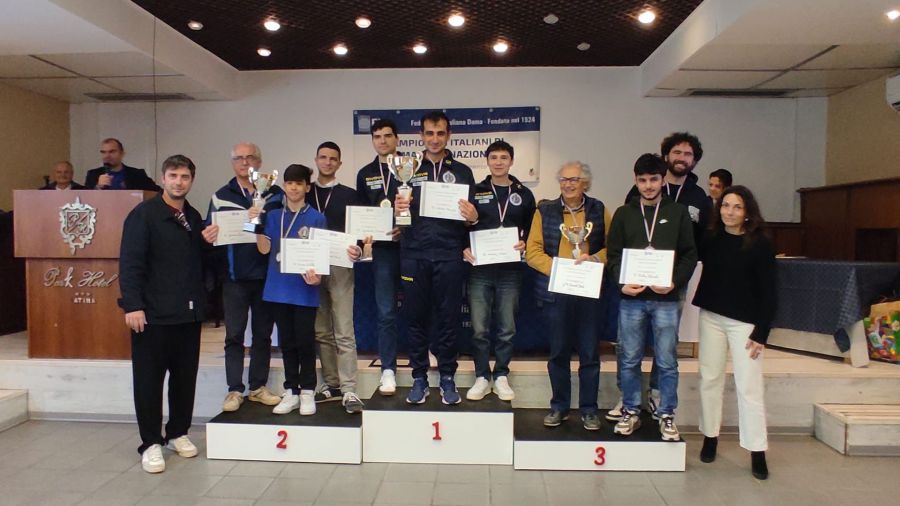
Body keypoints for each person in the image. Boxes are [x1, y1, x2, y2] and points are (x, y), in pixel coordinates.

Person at [119, 154, 218, 473]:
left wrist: (207, 243)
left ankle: (177, 432)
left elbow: (197, 262)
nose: (179, 182)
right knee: (148, 381)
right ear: (163, 178)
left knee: (184, 379)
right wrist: (133, 305)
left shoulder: (193, 216)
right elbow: (130, 263)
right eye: (173, 176)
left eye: (185, 176)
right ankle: (150, 443)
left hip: (188, 314)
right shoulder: (144, 215)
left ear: (192, 180)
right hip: (152, 315)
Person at [611, 132, 710, 422]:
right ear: (635, 181)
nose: (648, 185)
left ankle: (665, 411)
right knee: (628, 356)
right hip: (632, 298)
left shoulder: (678, 213)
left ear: (662, 179)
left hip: (666, 297)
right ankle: (630, 407)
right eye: (642, 180)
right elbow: (614, 255)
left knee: (667, 359)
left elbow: (690, 254)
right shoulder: (624, 213)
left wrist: (674, 282)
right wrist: (621, 283)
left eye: (654, 179)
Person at [394, 111, 477, 405]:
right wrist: (399, 210)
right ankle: (418, 377)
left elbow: (470, 219)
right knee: (415, 318)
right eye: (429, 133)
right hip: (414, 253)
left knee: (448, 319)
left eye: (440, 133)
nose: (435, 139)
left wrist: (473, 217)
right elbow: (396, 219)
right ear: (421, 136)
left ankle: (447, 376)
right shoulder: (407, 169)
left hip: (449, 255)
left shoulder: (463, 172)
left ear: (448, 135)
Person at [693, 185, 775, 480]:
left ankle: (757, 450)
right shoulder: (710, 237)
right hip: (711, 317)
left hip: (745, 323)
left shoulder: (760, 243)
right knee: (710, 378)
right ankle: (710, 437)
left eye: (737, 207)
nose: (729, 211)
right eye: (725, 205)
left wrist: (762, 332)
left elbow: (770, 291)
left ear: (747, 211)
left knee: (749, 386)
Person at [525, 161, 608, 430]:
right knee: (558, 353)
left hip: (588, 292)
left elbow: (613, 247)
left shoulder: (599, 209)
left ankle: (589, 410)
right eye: (563, 179)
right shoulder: (545, 210)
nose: (568, 184)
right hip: (557, 292)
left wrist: (594, 259)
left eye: (574, 179)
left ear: (585, 183)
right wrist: (559, 270)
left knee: (589, 354)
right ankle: (559, 407)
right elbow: (532, 251)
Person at [208, 142, 283, 413]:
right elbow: (211, 232)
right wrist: (209, 235)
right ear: (232, 163)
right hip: (234, 278)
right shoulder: (220, 196)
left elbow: (282, 229)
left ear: (259, 162)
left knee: (263, 335)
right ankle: (234, 389)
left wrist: (261, 220)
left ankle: (258, 387)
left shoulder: (275, 194)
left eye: (250, 157)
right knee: (234, 335)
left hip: (266, 276)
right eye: (239, 158)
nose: (245, 162)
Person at [464, 141, 536, 402]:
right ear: (487, 161)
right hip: (479, 270)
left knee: (507, 328)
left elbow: (532, 228)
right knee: (479, 328)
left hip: (510, 271)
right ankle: (482, 376)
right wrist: (463, 247)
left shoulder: (524, 194)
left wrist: (525, 241)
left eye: (503, 157)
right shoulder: (475, 191)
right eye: (493, 157)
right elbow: (461, 226)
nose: (498, 162)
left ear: (511, 161)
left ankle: (502, 374)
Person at [252, 164, 325, 416]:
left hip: (304, 289)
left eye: (299, 183)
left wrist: (317, 277)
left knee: (305, 341)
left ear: (307, 187)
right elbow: (263, 249)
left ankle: (308, 391)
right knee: (287, 342)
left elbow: (320, 254)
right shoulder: (273, 216)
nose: (294, 188)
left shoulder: (316, 217)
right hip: (278, 288)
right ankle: (291, 390)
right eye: (290, 183)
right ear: (284, 186)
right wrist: (254, 220)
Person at [309, 141, 365, 414]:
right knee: (321, 330)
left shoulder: (350, 195)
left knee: (343, 328)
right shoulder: (305, 192)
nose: (328, 162)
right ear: (316, 160)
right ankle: (330, 383)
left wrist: (359, 249)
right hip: (311, 267)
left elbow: (361, 233)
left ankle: (349, 387)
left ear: (339, 164)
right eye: (323, 157)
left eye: (333, 159)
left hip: (341, 266)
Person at [355, 118, 403, 395]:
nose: (382, 141)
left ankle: (427, 354)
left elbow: (420, 209)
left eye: (387, 135)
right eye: (377, 136)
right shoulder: (365, 174)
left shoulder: (412, 167)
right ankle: (388, 369)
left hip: (411, 248)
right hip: (383, 252)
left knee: (422, 306)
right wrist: (365, 237)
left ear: (397, 139)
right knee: (386, 312)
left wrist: (405, 229)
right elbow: (362, 212)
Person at [85, 138, 161, 191]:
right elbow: (85, 199)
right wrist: (98, 187)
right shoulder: (93, 175)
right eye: (103, 152)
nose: (107, 156)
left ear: (122, 153)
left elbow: (157, 192)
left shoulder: (137, 174)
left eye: (112, 152)